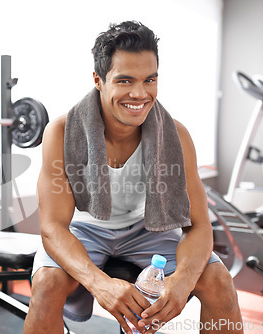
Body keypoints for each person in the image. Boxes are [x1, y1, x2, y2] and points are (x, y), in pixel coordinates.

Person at [23, 21, 243, 334]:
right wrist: (101, 285)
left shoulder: (176, 136)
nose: (139, 94)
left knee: (219, 281)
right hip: (85, 229)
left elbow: (198, 225)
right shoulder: (61, 132)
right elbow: (52, 227)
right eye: (125, 80)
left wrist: (181, 282)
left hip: (149, 228)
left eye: (149, 80)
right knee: (46, 285)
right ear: (99, 80)